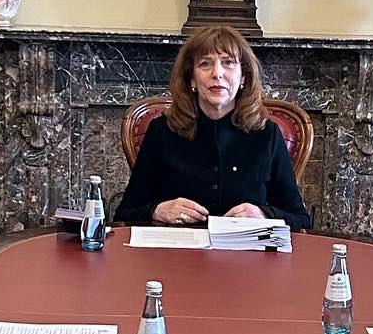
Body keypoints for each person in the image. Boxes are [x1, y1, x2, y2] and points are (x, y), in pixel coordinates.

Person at [114, 24, 311, 230]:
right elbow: (125, 213)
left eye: (228, 63)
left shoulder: (267, 134)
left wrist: (263, 214)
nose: (217, 73)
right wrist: (157, 210)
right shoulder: (162, 131)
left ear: (243, 76)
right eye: (205, 64)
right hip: (177, 255)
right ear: (191, 77)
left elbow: (300, 219)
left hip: (244, 257)